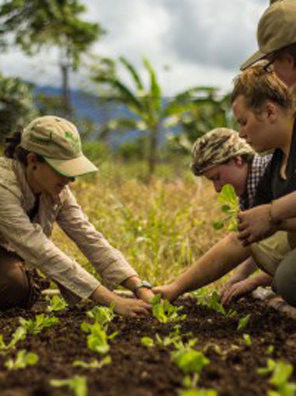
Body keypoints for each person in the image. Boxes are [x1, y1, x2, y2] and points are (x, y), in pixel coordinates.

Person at [154, 63, 296, 307]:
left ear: (270, 112)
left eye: (243, 122)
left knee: (287, 278)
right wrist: (175, 288)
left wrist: (274, 214)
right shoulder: (275, 164)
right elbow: (240, 240)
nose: (240, 134)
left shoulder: (266, 165)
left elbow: (267, 221)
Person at [0, 115, 154, 316]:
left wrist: (139, 286)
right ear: (33, 160)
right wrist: (113, 301)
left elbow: (89, 237)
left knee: (18, 284)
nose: (71, 178)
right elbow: (38, 248)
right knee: (14, 284)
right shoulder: (3, 188)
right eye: (63, 170)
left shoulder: (56, 190)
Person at [190, 127, 271, 304]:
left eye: (217, 177)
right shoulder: (248, 188)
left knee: (286, 282)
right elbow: (261, 244)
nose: (217, 189)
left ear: (238, 160)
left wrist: (256, 281)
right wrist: (239, 277)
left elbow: (284, 248)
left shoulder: (269, 176)